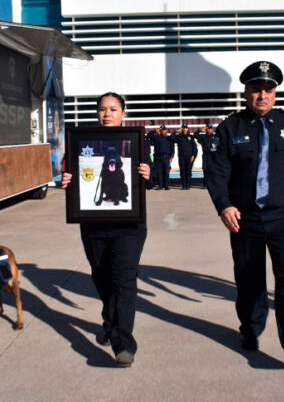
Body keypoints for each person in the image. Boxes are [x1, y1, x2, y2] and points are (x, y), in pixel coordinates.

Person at [206, 61, 284, 367]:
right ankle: (251, 328)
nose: (262, 96)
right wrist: (224, 205)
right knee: (249, 278)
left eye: (268, 90)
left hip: (283, 216)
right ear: (246, 93)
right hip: (245, 218)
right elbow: (216, 172)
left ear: (275, 94)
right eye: (256, 90)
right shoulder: (230, 128)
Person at [62, 92, 151, 367]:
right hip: (94, 226)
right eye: (102, 109)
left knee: (123, 281)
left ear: (124, 113)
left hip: (129, 227)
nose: (107, 114)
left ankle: (123, 344)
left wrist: (150, 174)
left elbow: (151, 177)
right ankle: (110, 323)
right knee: (102, 279)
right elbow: (71, 175)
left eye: (113, 109)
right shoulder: (81, 142)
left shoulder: (137, 142)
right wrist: (66, 180)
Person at [170, 123, 198, 189]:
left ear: (187, 129)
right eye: (183, 128)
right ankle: (183, 185)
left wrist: (193, 155)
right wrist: (175, 131)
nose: (184, 129)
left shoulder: (190, 137)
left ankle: (188, 185)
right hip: (181, 157)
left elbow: (194, 147)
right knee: (182, 171)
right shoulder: (179, 136)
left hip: (189, 157)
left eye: (185, 128)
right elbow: (171, 138)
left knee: (188, 171)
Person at [149, 124, 173, 190]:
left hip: (166, 157)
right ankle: (160, 186)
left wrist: (172, 156)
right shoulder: (156, 138)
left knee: (166, 171)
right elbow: (149, 136)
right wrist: (155, 131)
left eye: (165, 130)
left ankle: (166, 186)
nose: (164, 131)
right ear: (160, 131)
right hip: (158, 157)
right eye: (162, 130)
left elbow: (172, 148)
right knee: (159, 172)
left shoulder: (169, 138)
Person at [195, 123, 217, 188]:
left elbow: (216, 146)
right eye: (208, 128)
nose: (210, 130)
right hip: (205, 155)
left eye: (211, 128)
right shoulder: (203, 137)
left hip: (213, 155)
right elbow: (195, 135)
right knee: (205, 169)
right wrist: (200, 130)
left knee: (213, 170)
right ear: (206, 129)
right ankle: (205, 184)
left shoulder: (215, 136)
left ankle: (213, 184)